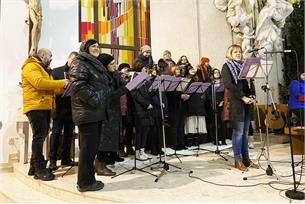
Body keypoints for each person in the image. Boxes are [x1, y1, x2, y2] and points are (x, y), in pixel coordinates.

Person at [69, 39, 111, 192]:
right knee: (87, 149)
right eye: (93, 46)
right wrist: (97, 99)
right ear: (85, 48)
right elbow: (78, 85)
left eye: (98, 46)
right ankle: (85, 183)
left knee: (91, 148)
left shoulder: (94, 64)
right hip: (87, 112)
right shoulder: (80, 62)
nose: (97, 48)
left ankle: (88, 179)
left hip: (95, 111)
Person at [21, 48, 67, 181]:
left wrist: (64, 88)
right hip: (36, 106)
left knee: (40, 136)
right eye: (50, 56)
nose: (51, 58)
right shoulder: (31, 66)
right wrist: (61, 82)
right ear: (42, 55)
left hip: (43, 105)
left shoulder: (42, 68)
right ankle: (39, 169)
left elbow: (48, 89)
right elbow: (39, 83)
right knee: (39, 136)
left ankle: (33, 167)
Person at [221, 44, 258, 171]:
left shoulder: (245, 65)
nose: (238, 53)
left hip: (248, 102)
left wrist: (252, 95)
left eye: (239, 51)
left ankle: (246, 159)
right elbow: (228, 84)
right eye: (235, 51)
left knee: (246, 133)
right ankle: (238, 160)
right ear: (230, 54)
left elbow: (250, 82)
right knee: (239, 132)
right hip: (237, 103)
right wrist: (243, 97)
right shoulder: (227, 66)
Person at [94, 53, 128, 176]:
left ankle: (106, 161)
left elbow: (120, 86)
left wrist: (126, 81)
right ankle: (100, 166)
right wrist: (126, 88)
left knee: (111, 137)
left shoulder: (113, 75)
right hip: (105, 111)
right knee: (104, 140)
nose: (115, 66)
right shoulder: (102, 77)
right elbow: (111, 95)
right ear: (105, 65)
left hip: (114, 111)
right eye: (112, 64)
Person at [48, 52, 78, 171]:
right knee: (55, 134)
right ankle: (53, 160)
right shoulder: (56, 71)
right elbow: (51, 89)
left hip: (72, 108)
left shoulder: (78, 73)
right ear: (68, 58)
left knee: (68, 135)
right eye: (73, 60)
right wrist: (63, 87)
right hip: (59, 108)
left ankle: (66, 158)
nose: (74, 63)